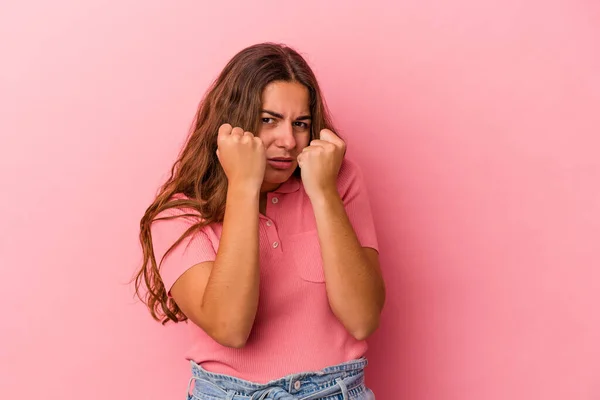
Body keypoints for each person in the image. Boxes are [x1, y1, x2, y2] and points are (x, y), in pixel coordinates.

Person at [134, 42, 386, 400]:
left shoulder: (339, 181)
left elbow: (363, 318)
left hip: (338, 391)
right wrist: (243, 185)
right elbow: (231, 327)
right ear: (233, 123)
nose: (288, 140)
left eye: (300, 123)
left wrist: (324, 193)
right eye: (269, 120)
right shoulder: (179, 214)